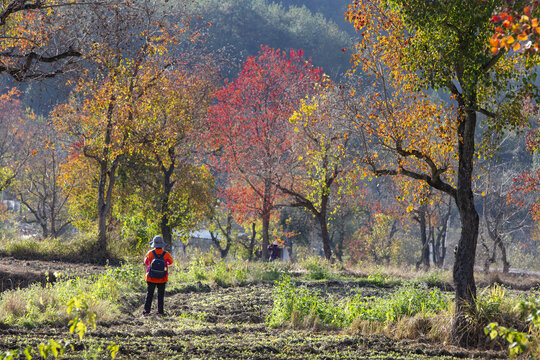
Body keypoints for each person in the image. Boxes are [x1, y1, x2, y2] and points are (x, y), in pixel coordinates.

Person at [143, 235, 173, 317]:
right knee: (160, 296)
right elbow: (170, 262)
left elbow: (146, 262)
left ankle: (146, 312)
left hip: (151, 277)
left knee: (149, 295)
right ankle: (160, 313)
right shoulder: (166, 254)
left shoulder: (150, 253)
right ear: (162, 245)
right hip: (162, 278)